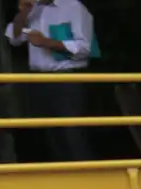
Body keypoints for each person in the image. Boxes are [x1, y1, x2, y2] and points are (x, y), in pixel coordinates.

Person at [6, 0, 95, 161]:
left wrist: (46, 42)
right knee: (51, 137)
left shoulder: (74, 7)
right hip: (39, 81)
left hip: (66, 79)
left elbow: (84, 47)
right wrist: (23, 13)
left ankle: (86, 178)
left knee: (72, 135)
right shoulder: (33, 10)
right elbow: (14, 37)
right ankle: (63, 181)